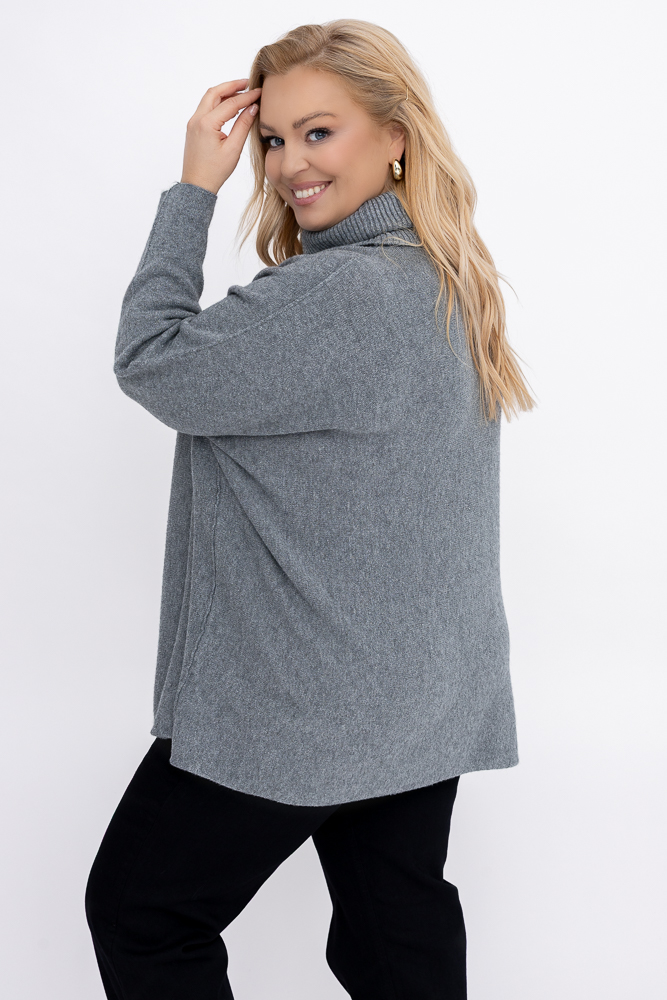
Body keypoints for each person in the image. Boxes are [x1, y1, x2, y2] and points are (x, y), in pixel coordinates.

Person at [85, 18, 535, 1000]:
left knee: (143, 913)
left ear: (395, 135)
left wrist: (194, 188)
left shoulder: (339, 294)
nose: (289, 164)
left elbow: (151, 360)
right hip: (418, 696)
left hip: (304, 701)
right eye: (273, 139)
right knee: (394, 941)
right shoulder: (447, 279)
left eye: (319, 132)